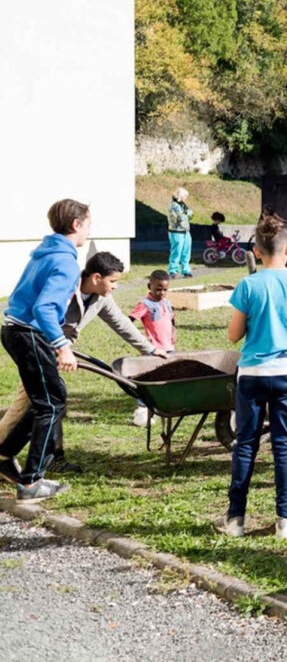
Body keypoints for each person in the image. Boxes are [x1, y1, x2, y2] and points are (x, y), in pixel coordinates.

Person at [0, 252, 169, 474]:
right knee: (38, 402)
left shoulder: (101, 298)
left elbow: (121, 323)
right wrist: (59, 348)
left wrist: (150, 349)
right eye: (113, 281)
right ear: (97, 278)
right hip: (35, 345)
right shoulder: (66, 288)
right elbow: (42, 314)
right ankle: (16, 457)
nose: (116, 286)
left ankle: (49, 457)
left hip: (52, 349)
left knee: (49, 400)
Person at [216, 214, 287, 539]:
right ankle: (285, 520)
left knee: (246, 444)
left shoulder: (248, 284)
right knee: (284, 444)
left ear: (257, 251)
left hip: (253, 374)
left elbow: (233, 335)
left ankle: (235, 520)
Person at [0, 199, 90, 502]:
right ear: (76, 224)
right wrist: (62, 346)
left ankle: (3, 455)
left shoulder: (45, 252)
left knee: (48, 400)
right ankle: (31, 482)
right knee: (51, 404)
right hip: (28, 333)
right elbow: (45, 307)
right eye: (88, 225)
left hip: (15, 330)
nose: (88, 232)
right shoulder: (65, 260)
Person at [130, 270, 176, 358]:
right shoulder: (145, 304)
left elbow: (172, 318)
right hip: (154, 349)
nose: (162, 293)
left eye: (165, 290)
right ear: (149, 286)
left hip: (169, 347)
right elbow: (129, 320)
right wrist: (139, 336)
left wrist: (174, 331)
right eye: (158, 289)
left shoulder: (167, 303)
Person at [167, 187, 193, 279]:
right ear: (180, 195)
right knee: (176, 252)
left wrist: (187, 213)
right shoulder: (174, 205)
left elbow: (190, 214)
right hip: (176, 231)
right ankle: (172, 271)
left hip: (185, 231)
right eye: (185, 195)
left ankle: (186, 270)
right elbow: (180, 217)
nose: (186, 197)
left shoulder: (182, 205)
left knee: (186, 252)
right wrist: (187, 213)